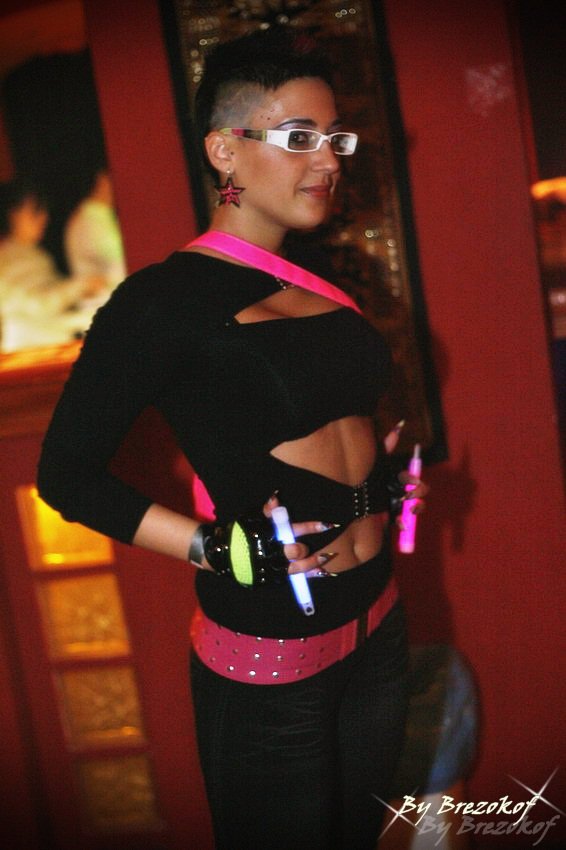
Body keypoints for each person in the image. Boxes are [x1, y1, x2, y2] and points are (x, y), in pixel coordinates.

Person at [38, 27, 427, 850]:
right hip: (271, 659)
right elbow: (67, 476)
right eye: (299, 138)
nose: (327, 162)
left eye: (334, 139)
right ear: (224, 150)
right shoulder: (158, 304)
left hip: (379, 627)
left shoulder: (324, 284)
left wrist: (382, 477)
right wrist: (215, 548)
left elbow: (328, 428)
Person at [0, 178, 107, 351]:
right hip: (29, 350)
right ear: (12, 214)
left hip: (46, 341)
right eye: (35, 211)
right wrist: (81, 286)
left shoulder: (33, 253)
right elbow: (36, 306)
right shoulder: (7, 260)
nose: (44, 217)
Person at [64, 167, 126, 290]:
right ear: (102, 181)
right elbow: (120, 255)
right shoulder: (89, 219)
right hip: (103, 296)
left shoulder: (97, 214)